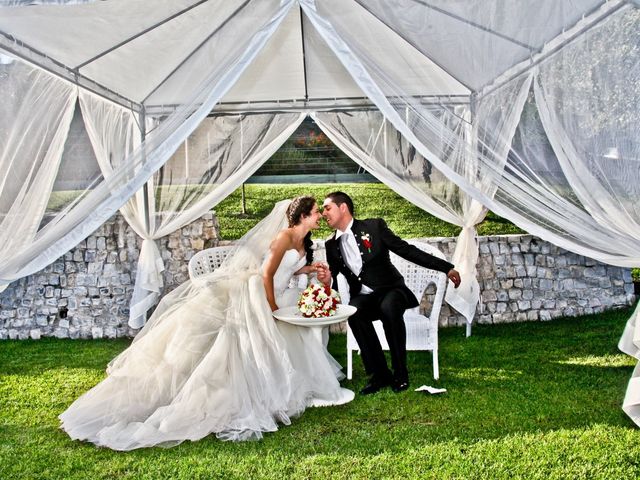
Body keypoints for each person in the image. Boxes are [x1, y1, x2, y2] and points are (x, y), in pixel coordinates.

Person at [59, 196, 354, 450]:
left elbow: (287, 269)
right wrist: (272, 306)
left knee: (296, 327)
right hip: (261, 294)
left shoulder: (302, 240)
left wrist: (308, 267)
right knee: (240, 346)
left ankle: (294, 381)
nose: (319, 216)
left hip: (281, 292)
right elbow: (266, 274)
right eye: (316, 212)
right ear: (303, 216)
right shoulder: (283, 237)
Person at [316, 191, 461, 395]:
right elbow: (336, 280)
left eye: (327, 208)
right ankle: (380, 374)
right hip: (365, 297)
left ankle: (401, 373)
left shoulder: (374, 227)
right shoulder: (332, 245)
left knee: (389, 307)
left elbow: (406, 250)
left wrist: (446, 267)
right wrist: (327, 282)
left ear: (343, 208)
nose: (323, 213)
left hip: (392, 289)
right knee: (354, 313)